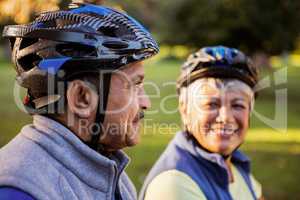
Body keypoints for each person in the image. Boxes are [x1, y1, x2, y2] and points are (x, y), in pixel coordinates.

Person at [0, 2, 159, 200]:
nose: (146, 103)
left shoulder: (114, 175)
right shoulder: (21, 191)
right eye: (134, 85)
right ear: (82, 98)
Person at [139, 46, 264, 200]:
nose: (225, 117)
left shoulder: (236, 164)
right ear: (185, 110)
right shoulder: (174, 184)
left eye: (238, 105)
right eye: (211, 104)